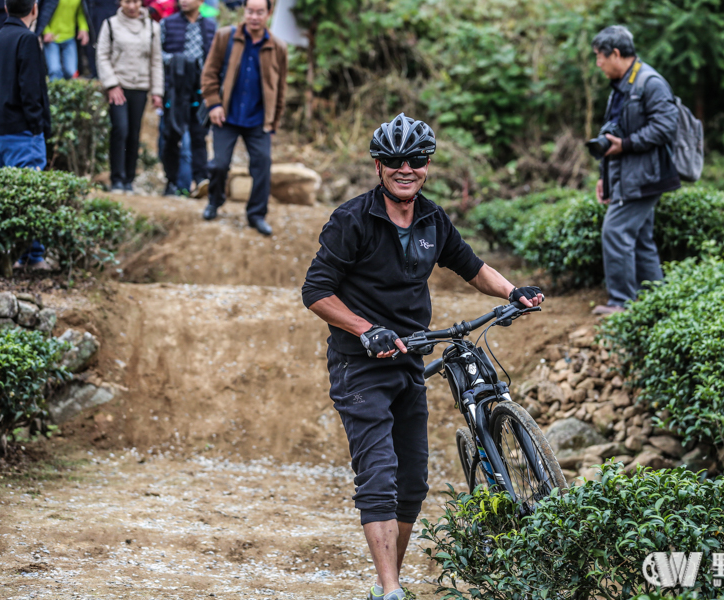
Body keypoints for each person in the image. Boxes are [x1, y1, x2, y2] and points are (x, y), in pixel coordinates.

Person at [301, 114, 545, 600]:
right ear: (378, 166)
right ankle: (392, 592)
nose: (404, 168)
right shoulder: (352, 220)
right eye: (393, 161)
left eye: (414, 160)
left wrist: (514, 290)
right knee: (379, 473)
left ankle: (385, 581)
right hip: (359, 364)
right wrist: (366, 330)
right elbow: (315, 291)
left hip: (409, 359)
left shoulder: (433, 219)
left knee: (413, 482)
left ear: (427, 164)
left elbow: (471, 267)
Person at [590, 25, 680, 316]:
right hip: (629, 177)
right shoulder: (621, 86)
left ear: (615, 54)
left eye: (599, 57)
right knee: (640, 239)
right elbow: (614, 133)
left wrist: (627, 144)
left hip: (646, 177)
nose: (597, 64)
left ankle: (621, 303)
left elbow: (666, 127)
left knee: (615, 232)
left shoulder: (649, 82)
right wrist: (604, 177)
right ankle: (658, 302)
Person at [199, 0, 287, 235]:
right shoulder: (225, 37)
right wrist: (214, 104)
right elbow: (209, 73)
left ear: (268, 13)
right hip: (225, 116)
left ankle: (256, 214)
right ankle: (214, 201)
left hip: (258, 120)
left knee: (262, 165)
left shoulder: (278, 47)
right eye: (250, 11)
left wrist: (273, 120)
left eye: (260, 12)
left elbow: (280, 88)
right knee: (218, 165)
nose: (254, 17)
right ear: (244, 11)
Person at [0, 0, 52, 269]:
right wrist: (39, 128)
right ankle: (33, 257)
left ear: (5, 8)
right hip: (22, 132)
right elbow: (31, 92)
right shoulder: (26, 39)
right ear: (34, 9)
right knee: (30, 197)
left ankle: (15, 256)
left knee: (7, 199)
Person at [96, 0, 163, 193]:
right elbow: (102, 55)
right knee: (120, 129)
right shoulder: (110, 24)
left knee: (134, 133)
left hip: (140, 87)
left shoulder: (152, 27)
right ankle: (116, 178)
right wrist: (111, 84)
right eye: (127, 1)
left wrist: (157, 91)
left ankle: (128, 179)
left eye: (134, 1)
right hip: (119, 87)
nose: (131, 6)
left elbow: (156, 60)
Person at [159, 0, 215, 197]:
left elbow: (216, 59)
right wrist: (179, 62)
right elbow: (158, 55)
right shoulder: (167, 24)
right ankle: (172, 181)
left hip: (201, 90)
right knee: (172, 135)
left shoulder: (211, 26)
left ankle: (201, 179)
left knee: (199, 135)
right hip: (175, 90)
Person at [37, 0, 92, 80]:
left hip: (69, 37)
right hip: (52, 39)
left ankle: (66, 91)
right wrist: (46, 31)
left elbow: (80, 13)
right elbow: (43, 13)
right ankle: (54, 91)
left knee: (71, 71)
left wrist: (83, 28)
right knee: (54, 70)